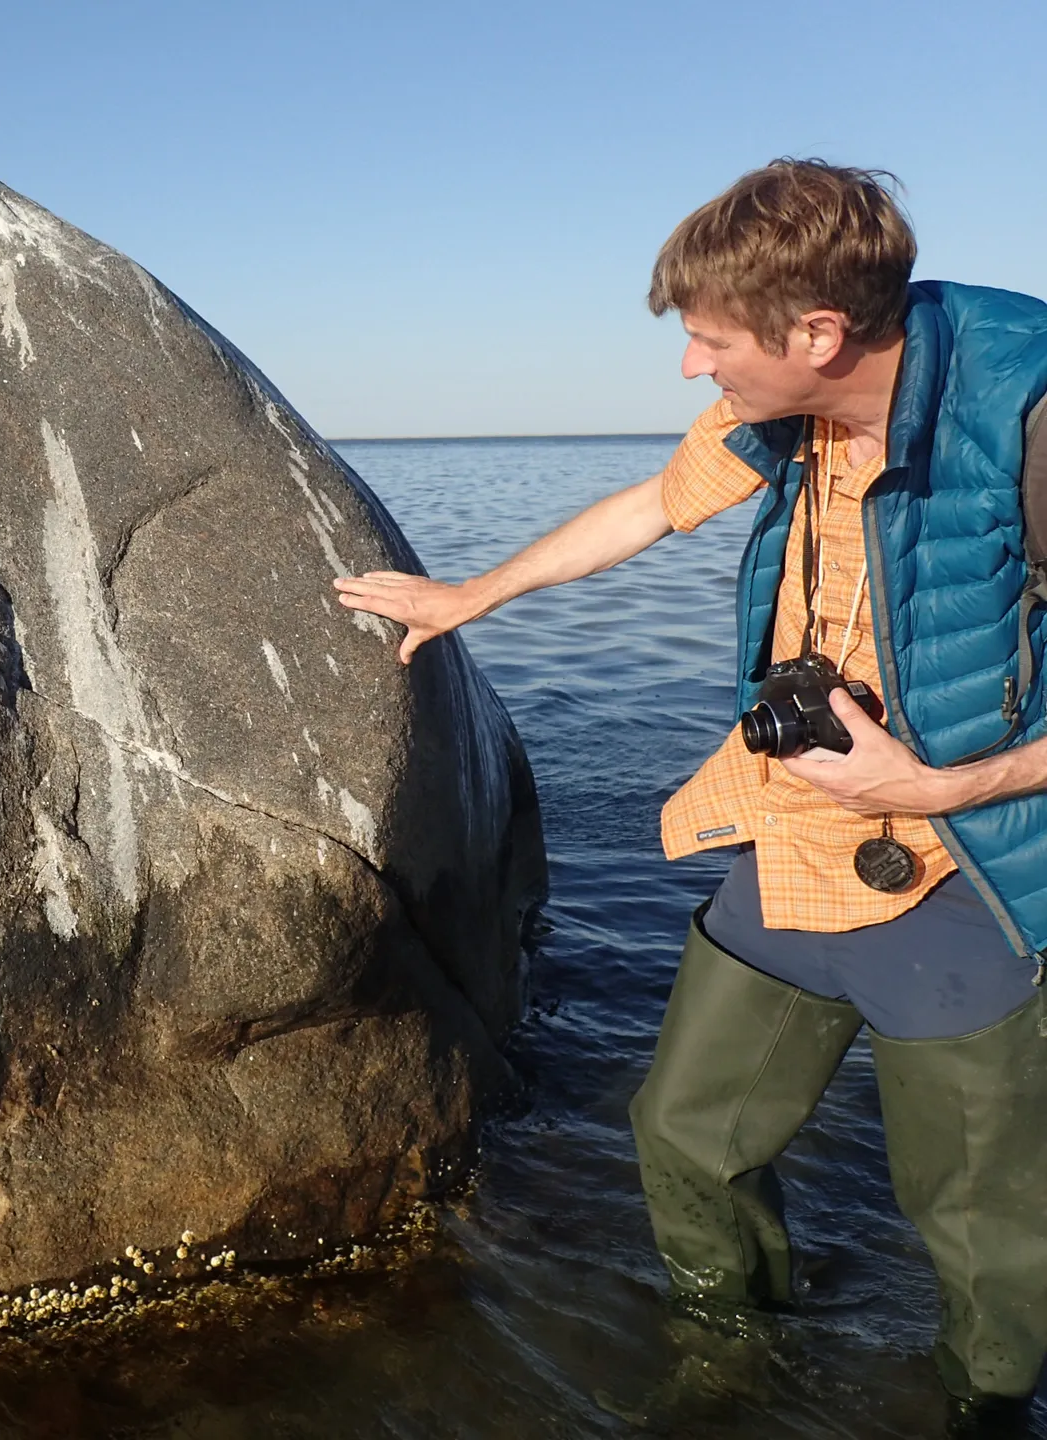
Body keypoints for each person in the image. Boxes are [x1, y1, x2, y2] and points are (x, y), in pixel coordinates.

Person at [334, 159, 1047, 1427]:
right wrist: (466, 599)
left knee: (984, 1231)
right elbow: (653, 508)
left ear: (819, 333)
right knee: (684, 1136)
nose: (691, 365)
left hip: (974, 871)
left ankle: (988, 1412)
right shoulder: (779, 411)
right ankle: (730, 1363)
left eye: (711, 341)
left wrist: (940, 779)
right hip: (803, 832)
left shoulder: (1029, 408)